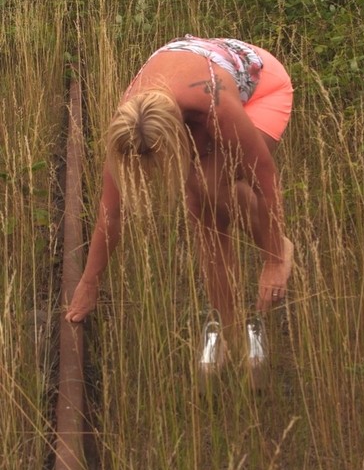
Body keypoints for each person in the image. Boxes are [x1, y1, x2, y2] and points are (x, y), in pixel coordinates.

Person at [65, 35, 294, 379]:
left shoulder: (214, 106)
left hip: (261, 85)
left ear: (176, 133)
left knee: (208, 185)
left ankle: (281, 246)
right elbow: (111, 211)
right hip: (200, 76)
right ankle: (229, 331)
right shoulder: (130, 120)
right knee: (201, 205)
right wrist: (89, 282)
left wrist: (274, 258)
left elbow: (266, 179)